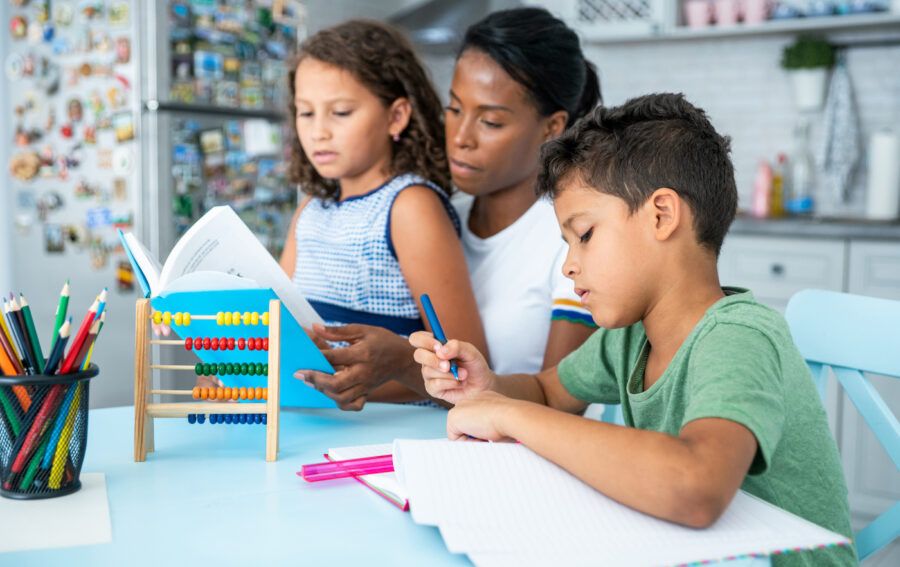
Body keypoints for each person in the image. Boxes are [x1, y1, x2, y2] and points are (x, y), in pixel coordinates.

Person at [410, 94, 856, 566]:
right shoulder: (630, 337)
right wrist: (489, 388)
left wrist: (509, 416)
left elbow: (696, 487)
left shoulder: (739, 336)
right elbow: (546, 390)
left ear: (662, 215)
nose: (569, 266)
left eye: (583, 235)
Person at [298, 7, 601, 406]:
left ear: (552, 126)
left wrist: (404, 364)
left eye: (490, 122)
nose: (460, 137)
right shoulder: (439, 217)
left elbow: (561, 404)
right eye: (454, 109)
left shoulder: (574, 240)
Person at [278, 20, 487, 410]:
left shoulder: (409, 207)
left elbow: (467, 365)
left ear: (396, 117)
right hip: (313, 422)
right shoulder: (309, 211)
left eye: (340, 112)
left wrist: (366, 381)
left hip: (390, 431)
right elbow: (281, 319)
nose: (318, 131)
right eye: (305, 114)